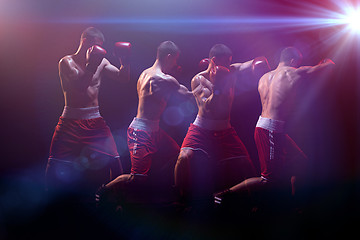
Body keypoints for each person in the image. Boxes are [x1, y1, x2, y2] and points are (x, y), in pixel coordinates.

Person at [214, 47, 335, 211]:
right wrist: (325, 60)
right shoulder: (294, 72)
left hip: (268, 128)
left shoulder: (264, 77)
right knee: (267, 179)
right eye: (297, 62)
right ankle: (223, 194)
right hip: (271, 131)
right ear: (293, 61)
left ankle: (292, 205)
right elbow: (328, 66)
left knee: (301, 162)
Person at [96, 41, 194, 206]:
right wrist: (213, 86)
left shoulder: (145, 73)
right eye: (175, 60)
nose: (176, 64)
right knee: (137, 178)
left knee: (179, 156)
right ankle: (104, 191)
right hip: (140, 133)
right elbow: (190, 96)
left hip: (154, 131)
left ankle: (175, 195)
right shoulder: (162, 79)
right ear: (169, 57)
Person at [174, 44, 270, 205]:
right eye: (224, 63)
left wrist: (260, 64)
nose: (227, 66)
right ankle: (180, 199)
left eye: (229, 62)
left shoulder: (233, 71)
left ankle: (256, 203)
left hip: (225, 130)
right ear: (213, 61)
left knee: (245, 164)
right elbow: (207, 107)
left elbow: (254, 62)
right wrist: (218, 87)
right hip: (201, 129)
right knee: (183, 158)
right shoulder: (199, 79)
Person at [45, 27, 131, 200]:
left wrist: (125, 61)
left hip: (95, 120)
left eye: (99, 47)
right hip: (70, 121)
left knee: (115, 160)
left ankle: (117, 202)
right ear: (85, 42)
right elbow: (80, 87)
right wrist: (91, 65)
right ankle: (49, 203)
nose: (97, 51)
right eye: (95, 46)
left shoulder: (102, 61)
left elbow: (123, 78)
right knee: (55, 162)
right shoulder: (66, 62)